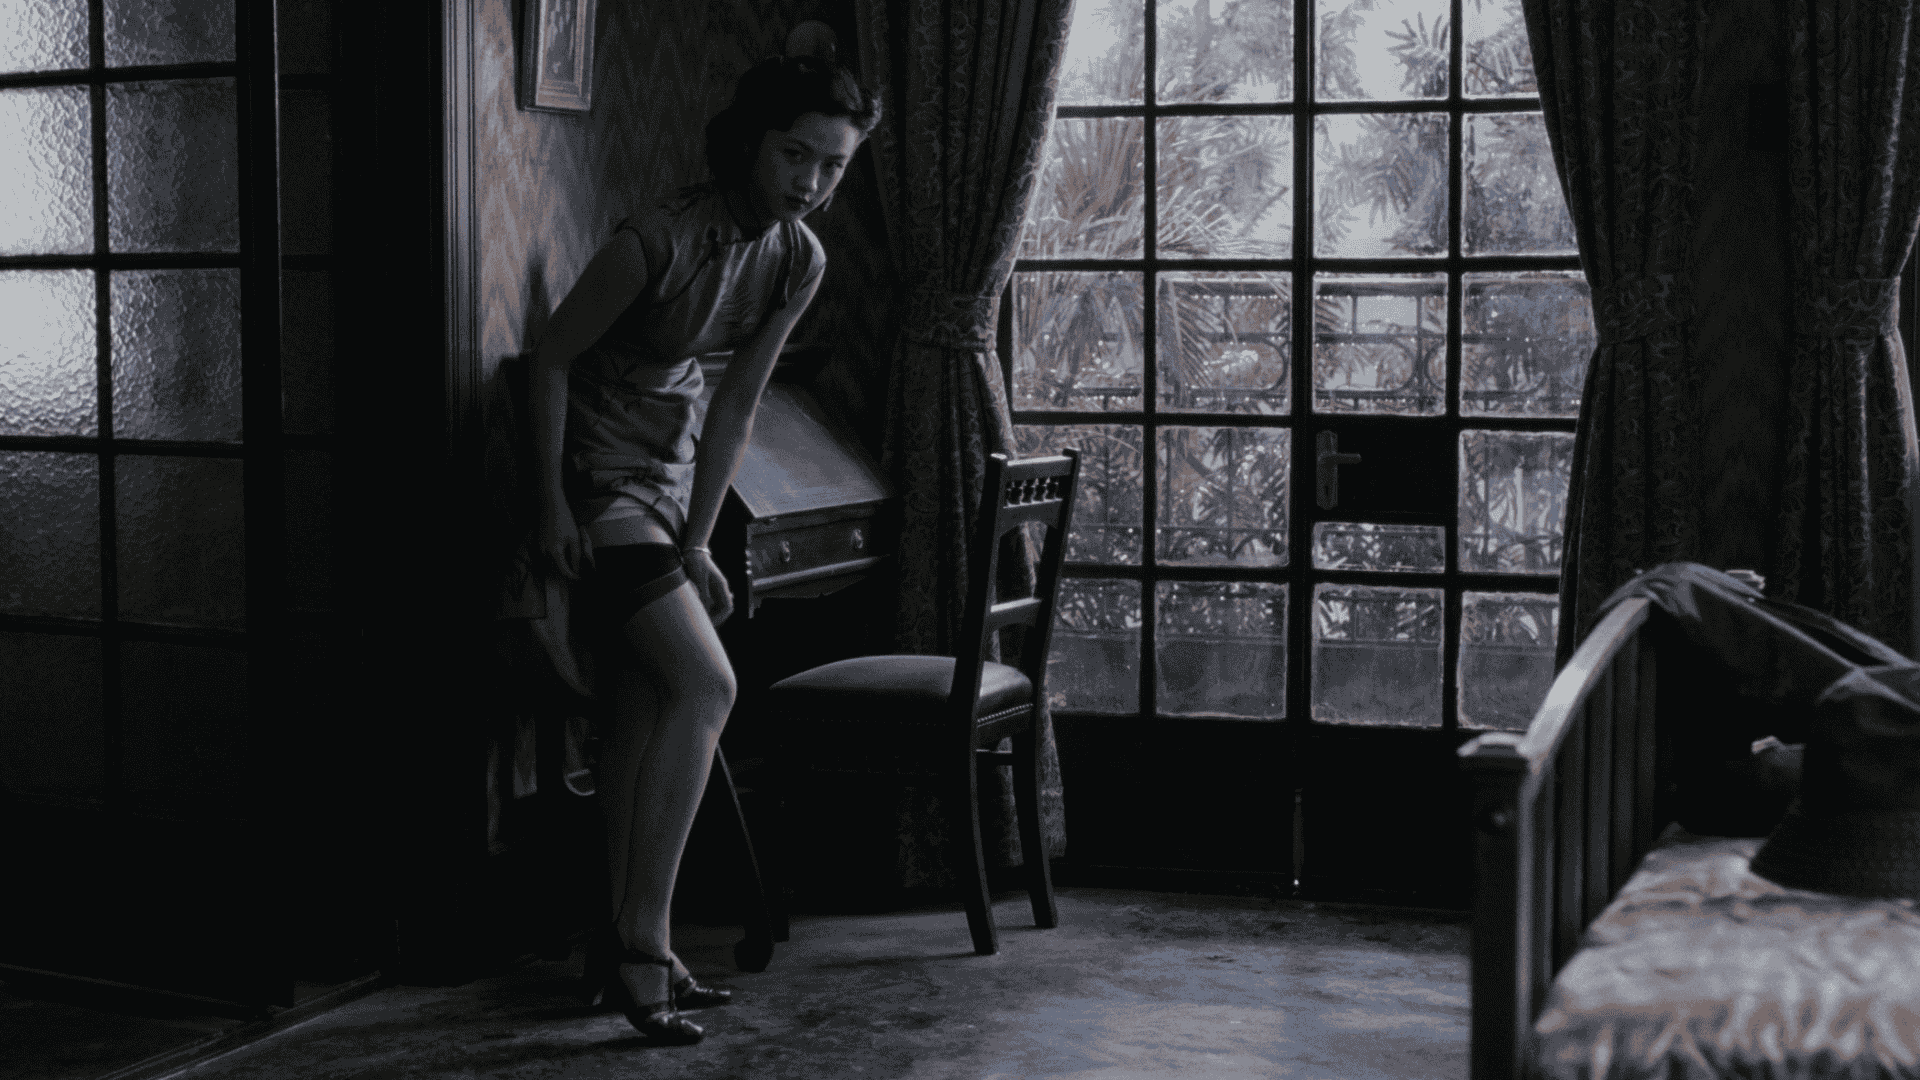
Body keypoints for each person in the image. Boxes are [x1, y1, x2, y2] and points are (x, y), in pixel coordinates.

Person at [528, 55, 879, 1044]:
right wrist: (547, 506)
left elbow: (737, 406)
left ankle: (621, 943)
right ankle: (645, 942)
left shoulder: (800, 259)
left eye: (833, 166)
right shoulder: (656, 239)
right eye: (795, 155)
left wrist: (694, 543)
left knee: (643, 713)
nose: (810, 182)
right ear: (751, 142)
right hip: (593, 478)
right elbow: (550, 360)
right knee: (706, 682)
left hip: (667, 481)